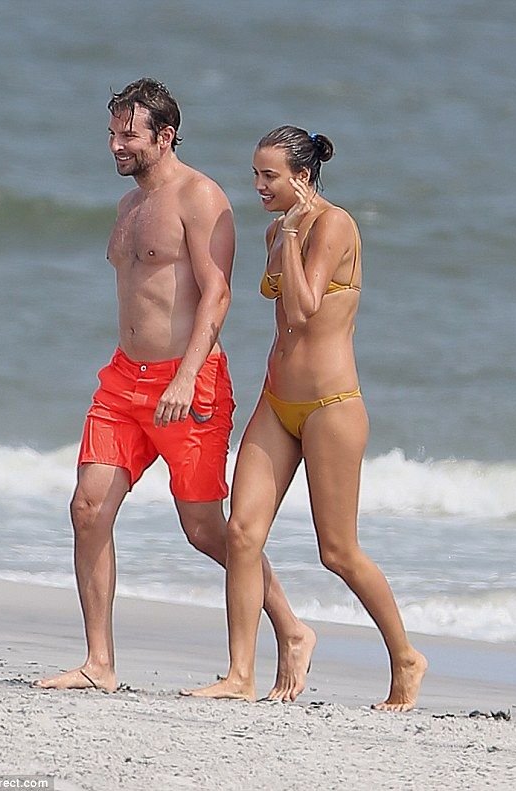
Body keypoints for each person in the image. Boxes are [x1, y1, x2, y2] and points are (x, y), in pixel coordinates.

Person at [34, 81, 314, 698]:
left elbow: (217, 292)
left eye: (128, 135)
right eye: (112, 134)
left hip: (189, 381)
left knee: (205, 530)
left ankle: (291, 628)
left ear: (164, 136)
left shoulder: (201, 197)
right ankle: (99, 663)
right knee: (88, 509)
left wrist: (186, 375)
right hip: (122, 381)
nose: (116, 145)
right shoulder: (127, 206)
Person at [183, 126, 427, 710]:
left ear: (303, 176)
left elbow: (303, 307)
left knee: (337, 551)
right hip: (278, 401)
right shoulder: (275, 230)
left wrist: (293, 233)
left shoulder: (334, 224)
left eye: (269, 175)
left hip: (331, 407)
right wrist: (284, 233)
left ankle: (406, 657)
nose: (258, 185)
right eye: (255, 174)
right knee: (242, 533)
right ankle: (240, 674)